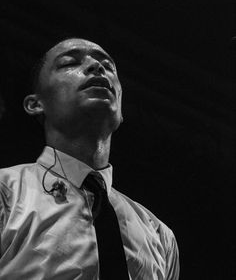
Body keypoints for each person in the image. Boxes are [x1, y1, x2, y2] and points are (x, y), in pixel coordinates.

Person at [0, 38, 180, 279]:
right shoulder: (5, 192)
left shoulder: (159, 234)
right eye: (69, 63)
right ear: (35, 104)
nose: (97, 66)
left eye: (108, 65)